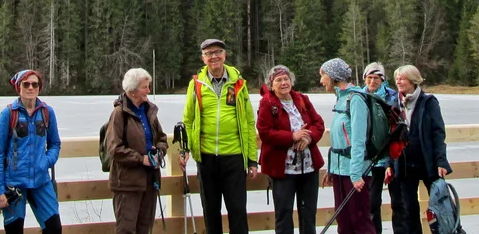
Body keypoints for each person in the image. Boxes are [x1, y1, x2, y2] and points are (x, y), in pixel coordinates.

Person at [180, 38, 258, 234]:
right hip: (206, 158)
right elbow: (188, 121)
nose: (213, 56)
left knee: (238, 212)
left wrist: (251, 160)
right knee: (211, 213)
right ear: (203, 58)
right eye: (208, 53)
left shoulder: (237, 83)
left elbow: (248, 122)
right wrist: (185, 148)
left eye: (217, 52)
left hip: (234, 156)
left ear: (225, 55)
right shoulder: (196, 84)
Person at [0, 69, 63, 234]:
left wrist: (45, 161)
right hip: (14, 184)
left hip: (41, 182)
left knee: (54, 229)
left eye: (35, 84)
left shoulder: (47, 112)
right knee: (14, 230)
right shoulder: (8, 114)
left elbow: (55, 144)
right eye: (26, 84)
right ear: (19, 87)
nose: (31, 88)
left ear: (39, 87)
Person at [257, 64, 325, 234]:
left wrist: (309, 137)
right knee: (284, 213)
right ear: (271, 85)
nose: (283, 83)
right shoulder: (267, 103)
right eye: (278, 80)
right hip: (282, 169)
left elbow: (318, 123)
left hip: (308, 167)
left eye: (286, 79)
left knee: (308, 213)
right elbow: (265, 133)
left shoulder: (301, 99)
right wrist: (292, 137)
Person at [105, 68, 170, 234]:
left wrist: (159, 152)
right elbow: (114, 148)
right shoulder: (119, 114)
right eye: (144, 87)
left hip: (149, 180)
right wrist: (141, 159)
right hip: (127, 183)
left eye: (148, 86)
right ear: (132, 91)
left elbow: (162, 138)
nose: (148, 90)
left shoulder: (149, 111)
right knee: (126, 230)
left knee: (144, 229)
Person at [388, 65, 451, 234]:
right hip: (405, 163)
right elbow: (390, 137)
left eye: (402, 78)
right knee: (409, 210)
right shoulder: (394, 103)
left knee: (441, 206)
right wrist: (389, 164)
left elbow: (438, 133)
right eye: (397, 78)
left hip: (427, 161)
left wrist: (441, 161)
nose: (399, 81)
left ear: (413, 80)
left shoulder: (428, 102)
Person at [319, 58, 374, 234]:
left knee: (361, 223)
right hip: (341, 172)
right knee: (344, 224)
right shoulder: (341, 99)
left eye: (323, 75)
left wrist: (357, 174)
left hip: (354, 173)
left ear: (334, 76)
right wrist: (332, 169)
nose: (321, 81)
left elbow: (358, 140)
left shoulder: (355, 99)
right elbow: (340, 140)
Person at [360, 63, 398, 234]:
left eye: (376, 78)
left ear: (382, 79)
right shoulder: (359, 96)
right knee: (372, 202)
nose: (372, 81)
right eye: (369, 78)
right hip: (370, 158)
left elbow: (396, 126)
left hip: (390, 155)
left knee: (399, 202)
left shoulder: (392, 97)